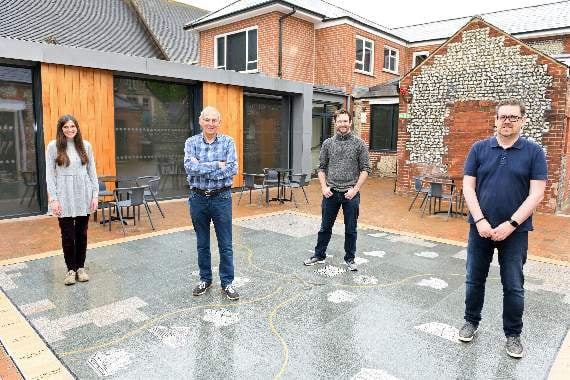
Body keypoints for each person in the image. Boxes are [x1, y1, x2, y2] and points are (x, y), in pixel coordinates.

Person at [458, 99, 547, 358]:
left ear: (523, 121)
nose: (507, 121)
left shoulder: (534, 152)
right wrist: (480, 221)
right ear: (495, 120)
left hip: (515, 233)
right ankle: (471, 321)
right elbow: (468, 187)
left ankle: (513, 335)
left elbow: (536, 194)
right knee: (474, 280)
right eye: (503, 117)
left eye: (513, 117)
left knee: (514, 285)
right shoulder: (479, 149)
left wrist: (511, 224)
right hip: (480, 230)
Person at [304, 109, 371, 271]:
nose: (343, 124)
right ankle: (319, 255)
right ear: (335, 123)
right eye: (339, 121)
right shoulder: (328, 143)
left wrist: (355, 190)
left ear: (350, 122)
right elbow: (321, 168)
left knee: (351, 229)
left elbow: (365, 169)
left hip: (351, 194)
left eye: (345, 121)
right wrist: (323, 187)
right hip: (331, 193)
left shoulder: (359, 144)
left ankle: (350, 258)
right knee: (325, 227)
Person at [184, 106, 239, 300]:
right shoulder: (191, 142)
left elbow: (232, 169)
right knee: (202, 243)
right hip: (198, 198)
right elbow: (189, 168)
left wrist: (201, 166)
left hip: (221, 198)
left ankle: (227, 283)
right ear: (200, 121)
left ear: (219, 122)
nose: (210, 123)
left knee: (226, 244)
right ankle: (205, 279)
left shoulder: (228, 142)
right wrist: (217, 165)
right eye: (207, 119)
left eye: (214, 120)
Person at [46, 115, 98, 285]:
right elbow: (50, 175)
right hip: (64, 194)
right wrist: (53, 199)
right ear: (61, 129)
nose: (70, 130)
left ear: (77, 127)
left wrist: (95, 195)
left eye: (72, 126)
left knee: (81, 234)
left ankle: (81, 268)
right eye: (66, 127)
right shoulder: (53, 147)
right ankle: (70, 269)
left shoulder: (86, 146)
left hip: (84, 193)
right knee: (67, 235)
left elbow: (92, 172)